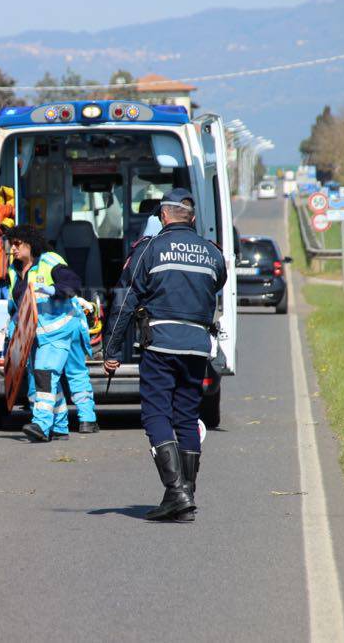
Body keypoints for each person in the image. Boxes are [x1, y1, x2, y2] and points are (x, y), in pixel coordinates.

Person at [102, 189, 227, 522]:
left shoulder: (150, 248)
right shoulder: (213, 253)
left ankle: (177, 493)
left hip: (161, 344)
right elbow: (217, 284)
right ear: (193, 218)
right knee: (186, 417)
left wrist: (111, 349)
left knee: (156, 415)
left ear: (163, 216)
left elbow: (126, 299)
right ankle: (185, 496)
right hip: (197, 346)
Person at [4, 224, 97, 442]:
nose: (13, 249)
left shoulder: (49, 261)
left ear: (30, 243)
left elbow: (73, 284)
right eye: (11, 245)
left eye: (17, 244)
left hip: (62, 326)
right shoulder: (13, 270)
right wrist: (13, 325)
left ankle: (43, 424)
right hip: (35, 332)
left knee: (48, 372)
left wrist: (53, 289)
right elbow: (16, 303)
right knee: (42, 375)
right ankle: (63, 425)